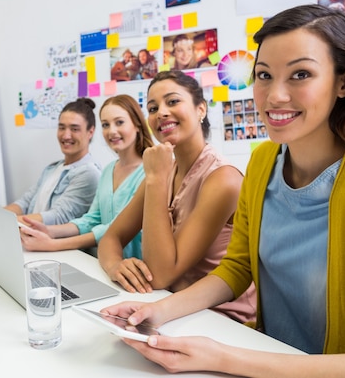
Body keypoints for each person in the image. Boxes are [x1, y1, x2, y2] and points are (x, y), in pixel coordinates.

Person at [100, 4, 345, 377]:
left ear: (344, 83)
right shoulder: (265, 159)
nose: (274, 96)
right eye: (264, 75)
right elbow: (238, 267)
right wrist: (157, 310)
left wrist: (222, 357)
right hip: (266, 352)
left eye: (300, 74)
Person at [97, 70, 256, 324]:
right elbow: (111, 238)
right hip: (171, 308)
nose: (161, 112)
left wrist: (155, 180)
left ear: (201, 110)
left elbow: (161, 274)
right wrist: (116, 266)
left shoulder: (223, 178)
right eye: (152, 107)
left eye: (172, 102)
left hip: (223, 320)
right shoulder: (164, 169)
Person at [19, 94, 154, 258]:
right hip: (105, 264)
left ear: (137, 125)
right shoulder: (108, 170)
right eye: (105, 124)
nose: (111, 131)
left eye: (119, 122)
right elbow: (92, 219)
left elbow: (115, 227)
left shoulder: (149, 172)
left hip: (135, 268)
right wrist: (50, 231)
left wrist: (54, 244)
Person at [0, 98, 101, 230]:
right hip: (29, 240)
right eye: (61, 127)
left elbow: (58, 217)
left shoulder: (88, 173)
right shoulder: (52, 168)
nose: (66, 135)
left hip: (58, 250)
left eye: (74, 129)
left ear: (90, 132)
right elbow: (24, 204)